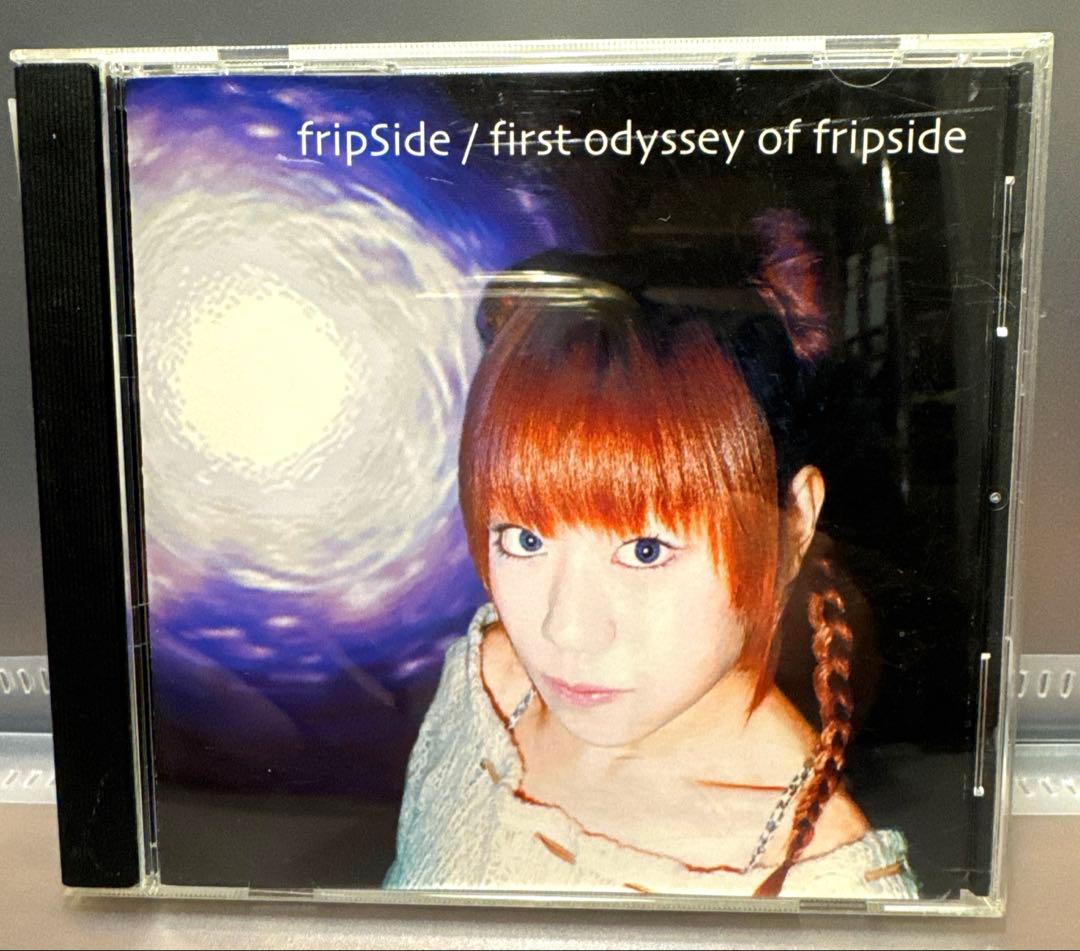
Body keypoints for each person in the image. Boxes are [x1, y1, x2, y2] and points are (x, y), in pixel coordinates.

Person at [384, 211, 918, 899]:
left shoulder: (826, 894)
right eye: (525, 538)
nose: (565, 630)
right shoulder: (487, 678)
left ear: (794, 526)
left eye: (644, 549)